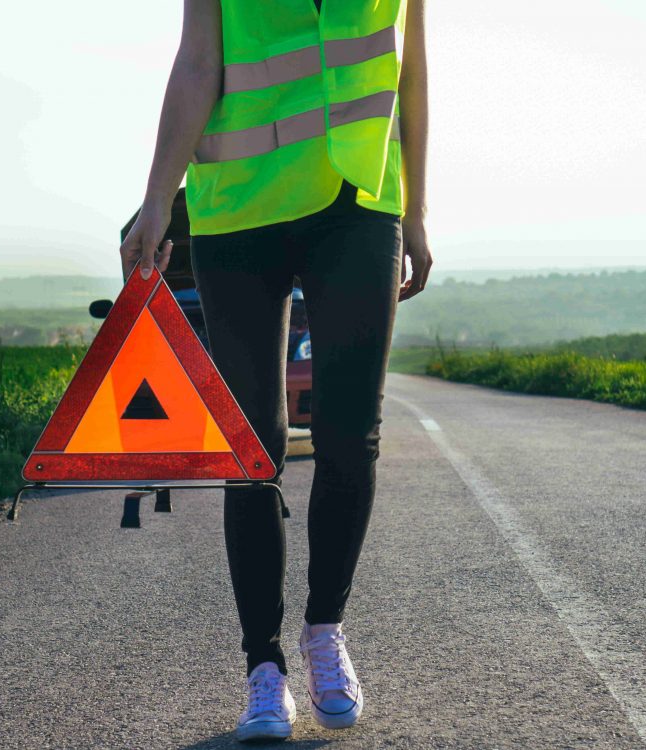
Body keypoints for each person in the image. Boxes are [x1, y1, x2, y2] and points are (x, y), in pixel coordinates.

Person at [120, 0, 430, 741]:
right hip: (240, 210)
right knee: (252, 448)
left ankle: (325, 632)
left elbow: (412, 71)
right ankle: (263, 667)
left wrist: (416, 207)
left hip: (357, 201)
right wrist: (159, 199)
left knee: (351, 433)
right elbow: (200, 62)